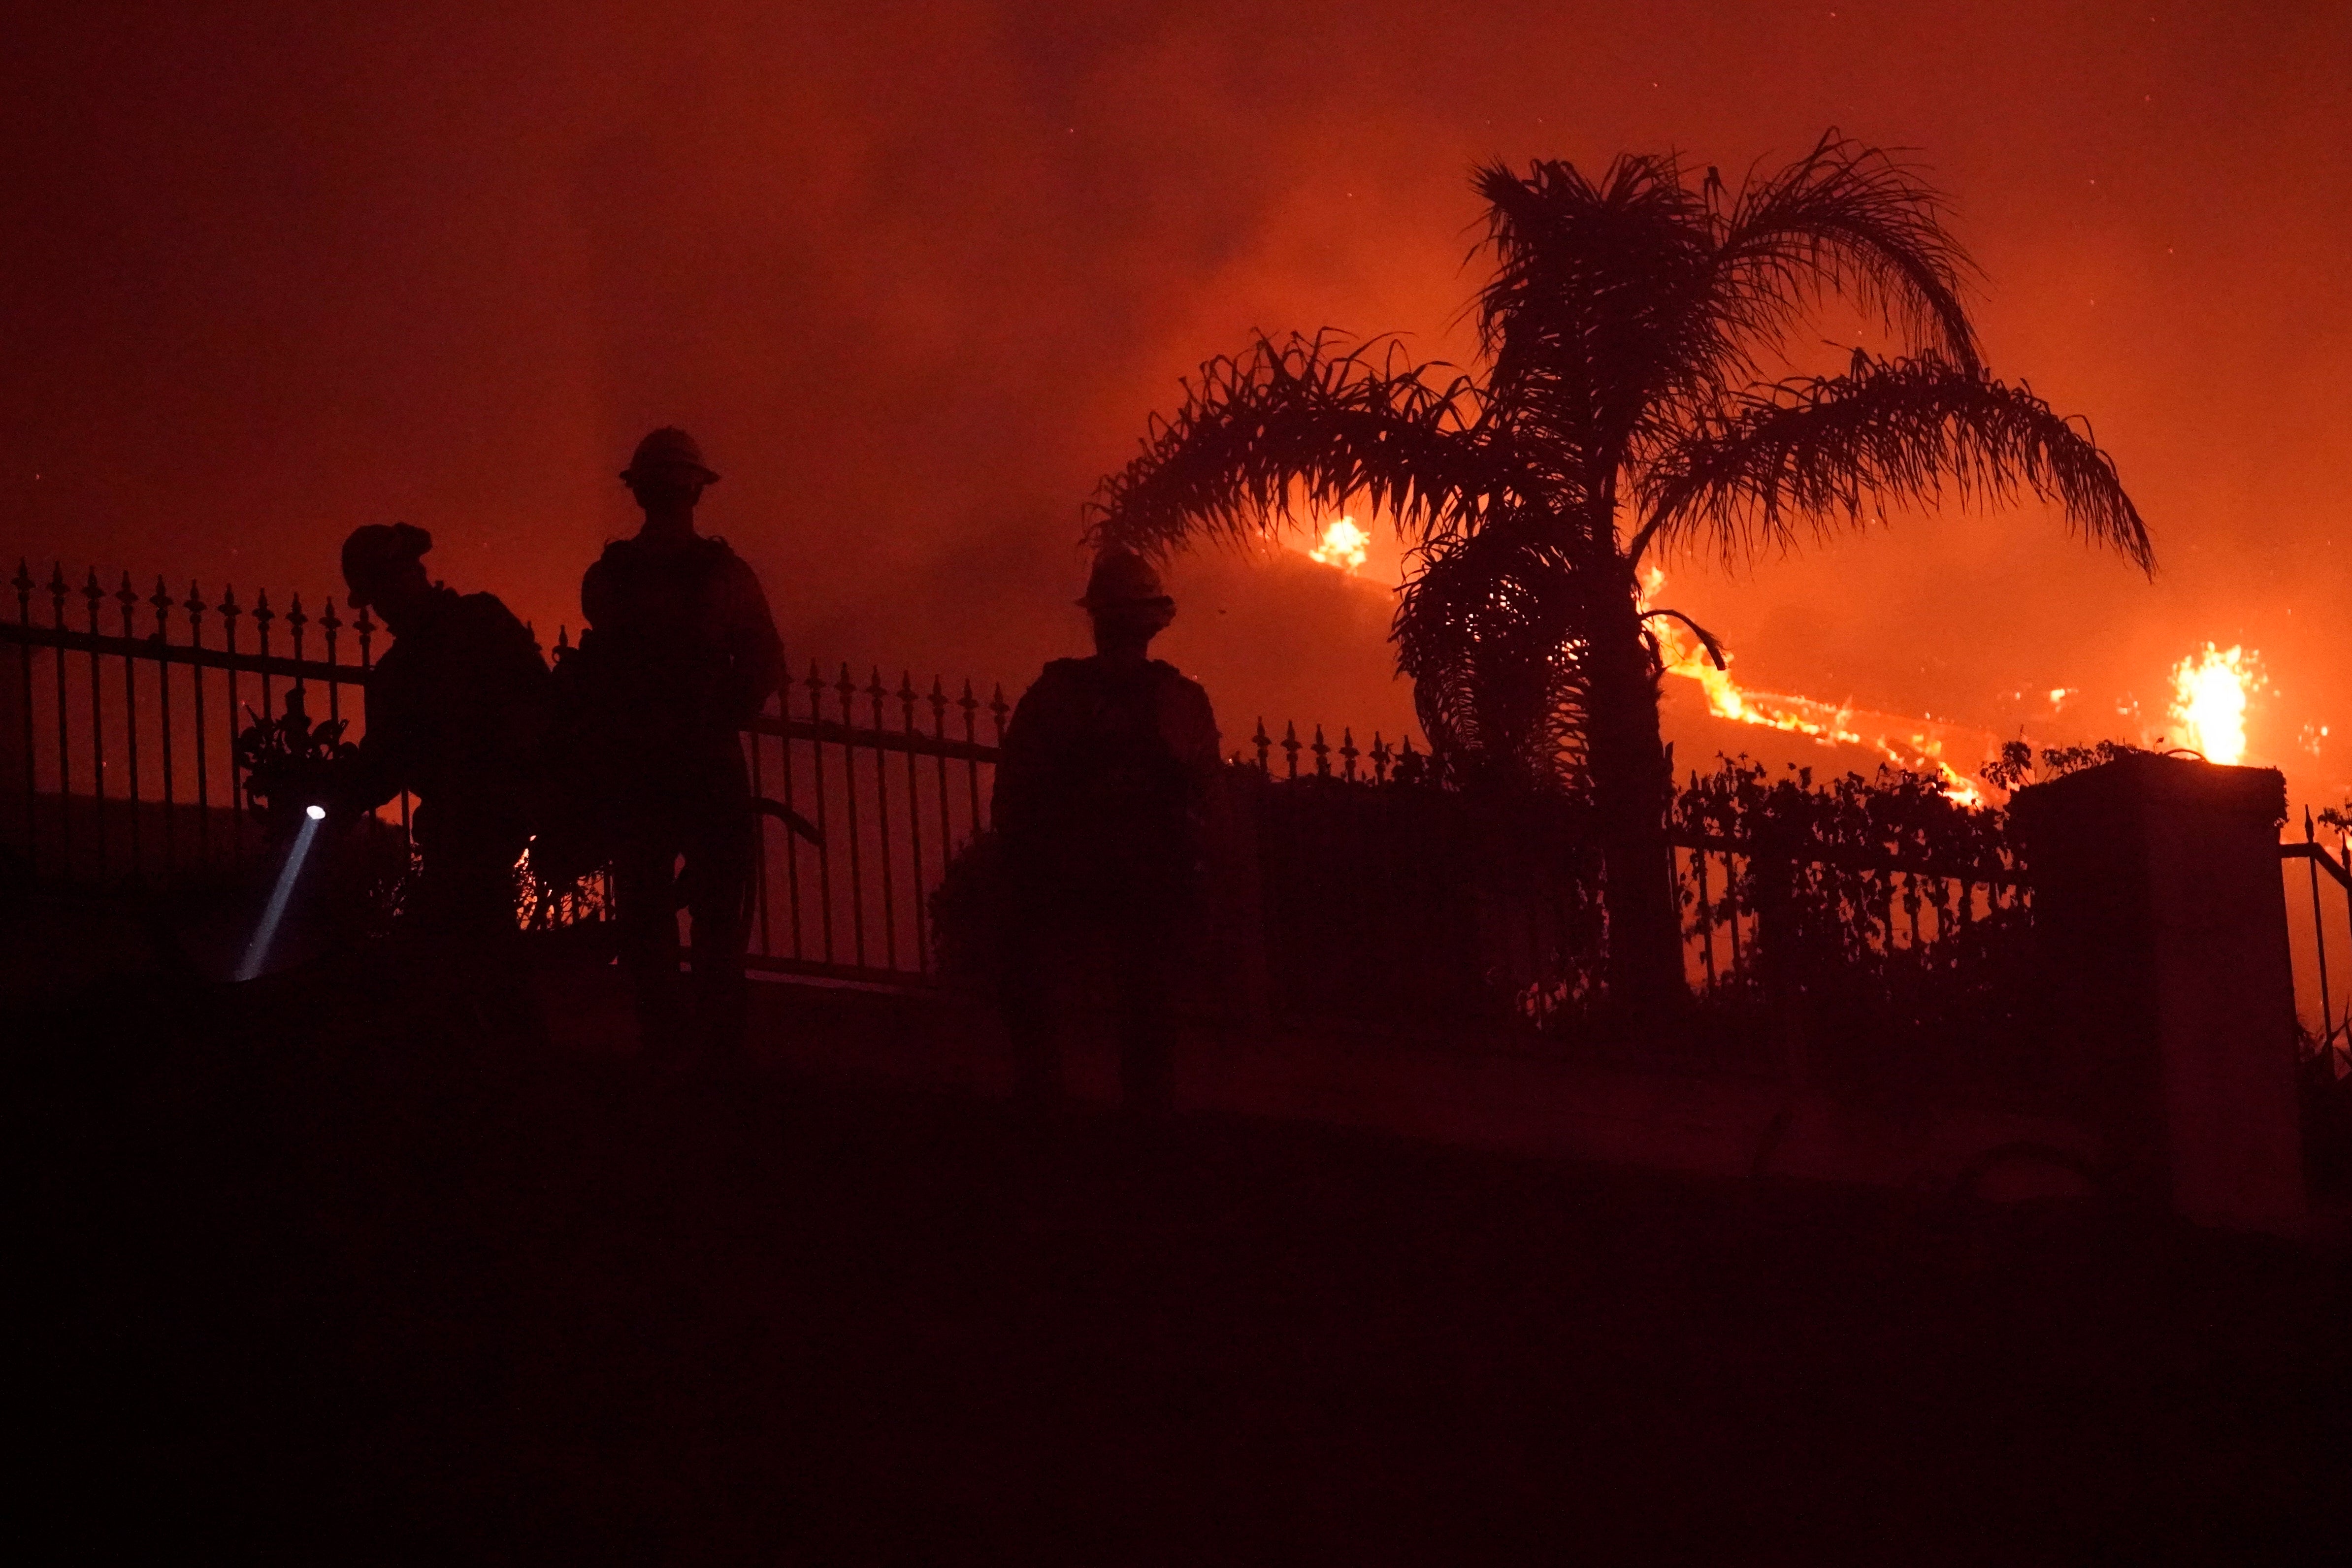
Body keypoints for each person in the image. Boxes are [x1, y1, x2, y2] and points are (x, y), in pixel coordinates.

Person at [572, 427, 782, 1062]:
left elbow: (600, 676)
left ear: (639, 492)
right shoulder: (727, 576)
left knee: (645, 911)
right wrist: (718, 717)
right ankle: (718, 1052)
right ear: (697, 489)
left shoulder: (608, 579)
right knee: (718, 917)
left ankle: (664, 1045)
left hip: (636, 768)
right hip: (707, 765)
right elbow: (765, 662)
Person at [991, 546, 1221, 1116]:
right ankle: (1146, 1126)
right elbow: (1207, 801)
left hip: (1064, 873)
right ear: (1152, 624)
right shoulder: (1181, 701)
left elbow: (1014, 793)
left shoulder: (1055, 696)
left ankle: (1043, 1111)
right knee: (1147, 1008)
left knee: (1038, 996)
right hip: (1147, 877)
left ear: (1097, 620)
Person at [339, 523, 551, 1014]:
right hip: (469, 826)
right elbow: (383, 765)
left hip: (488, 820)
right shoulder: (414, 662)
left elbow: (539, 707)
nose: (386, 604)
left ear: (414, 573)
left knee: (463, 950)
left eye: (388, 584)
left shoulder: (473, 626)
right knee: (477, 951)